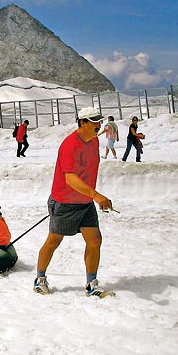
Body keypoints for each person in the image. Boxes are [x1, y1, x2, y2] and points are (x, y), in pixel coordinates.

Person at [33, 106, 114, 298]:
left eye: (99, 121)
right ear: (82, 123)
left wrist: (92, 197)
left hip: (85, 203)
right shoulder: (70, 145)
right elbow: (71, 179)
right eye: (94, 121)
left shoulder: (94, 141)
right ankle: (39, 279)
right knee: (54, 241)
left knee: (95, 240)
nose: (98, 125)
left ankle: (91, 284)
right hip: (64, 203)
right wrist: (97, 196)